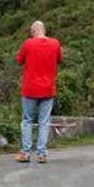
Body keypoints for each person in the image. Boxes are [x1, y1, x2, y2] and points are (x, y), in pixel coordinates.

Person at [14, 20, 62, 163]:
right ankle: (42, 154)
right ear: (44, 30)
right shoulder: (55, 43)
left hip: (30, 89)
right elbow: (59, 59)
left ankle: (26, 153)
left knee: (27, 120)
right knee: (44, 122)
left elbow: (19, 60)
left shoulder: (28, 43)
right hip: (48, 88)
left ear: (34, 31)